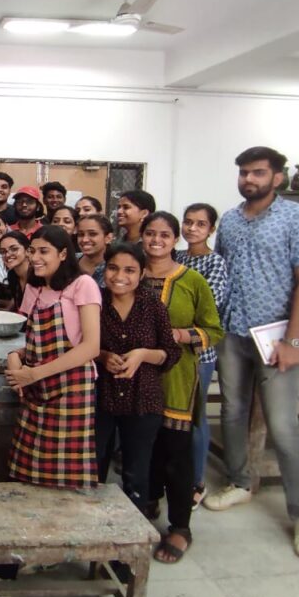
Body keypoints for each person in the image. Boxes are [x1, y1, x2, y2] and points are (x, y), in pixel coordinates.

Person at [203, 146, 299, 561]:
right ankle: (239, 482)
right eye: (243, 173)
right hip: (232, 333)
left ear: (277, 177)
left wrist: (294, 340)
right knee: (232, 412)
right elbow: (222, 273)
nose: (249, 179)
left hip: (275, 337)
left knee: (283, 425)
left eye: (257, 172)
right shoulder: (231, 220)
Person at [140, 211, 223, 565]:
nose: (156, 240)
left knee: (176, 452)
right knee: (143, 447)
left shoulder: (192, 280)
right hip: (136, 377)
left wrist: (181, 335)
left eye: (164, 235)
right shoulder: (131, 273)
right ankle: (147, 501)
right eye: (150, 233)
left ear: (175, 239)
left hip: (176, 378)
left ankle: (180, 527)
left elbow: (214, 330)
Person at [5, 226, 101, 489]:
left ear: (63, 254)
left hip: (72, 389)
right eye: (32, 251)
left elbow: (91, 347)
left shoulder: (83, 285)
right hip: (38, 390)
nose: (35, 257)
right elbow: (33, 340)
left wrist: (34, 374)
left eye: (44, 251)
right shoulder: (34, 288)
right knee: (30, 469)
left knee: (66, 476)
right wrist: (14, 356)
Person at [95, 242, 181, 514]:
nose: (120, 276)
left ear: (142, 273)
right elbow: (78, 344)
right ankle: (93, 525)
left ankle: (134, 528)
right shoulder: (95, 302)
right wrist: (103, 356)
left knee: (136, 471)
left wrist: (143, 355)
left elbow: (171, 352)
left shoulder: (152, 305)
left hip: (143, 398)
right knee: (93, 466)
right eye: (113, 268)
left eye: (129, 270)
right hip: (100, 396)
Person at [176, 202, 230, 509]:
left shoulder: (215, 263)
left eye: (200, 224)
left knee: (196, 417)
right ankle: (174, 473)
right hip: (171, 350)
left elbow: (208, 305)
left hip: (199, 351)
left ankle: (197, 480)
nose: (192, 228)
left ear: (211, 229)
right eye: (188, 222)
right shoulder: (177, 257)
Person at [76, 214, 113, 288]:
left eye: (92, 234)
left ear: (108, 238)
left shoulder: (114, 267)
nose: (85, 240)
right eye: (81, 234)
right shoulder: (69, 261)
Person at [0, 231, 32, 311]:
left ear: (28, 251)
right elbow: (17, 300)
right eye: (3, 251)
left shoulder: (38, 275)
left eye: (14, 249)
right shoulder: (12, 275)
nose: (7, 255)